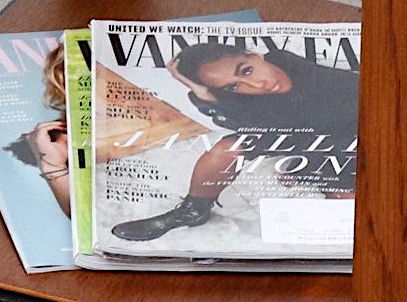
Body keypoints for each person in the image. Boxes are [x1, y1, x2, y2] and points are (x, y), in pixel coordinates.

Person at [108, 38, 359, 243]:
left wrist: (313, 167)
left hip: (350, 138)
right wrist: (202, 93)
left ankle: (306, 169)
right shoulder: (253, 91)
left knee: (353, 219)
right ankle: (192, 211)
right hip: (297, 134)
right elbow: (247, 128)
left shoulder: (317, 78)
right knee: (226, 149)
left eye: (246, 70)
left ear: (254, 55)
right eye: (234, 87)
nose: (256, 85)